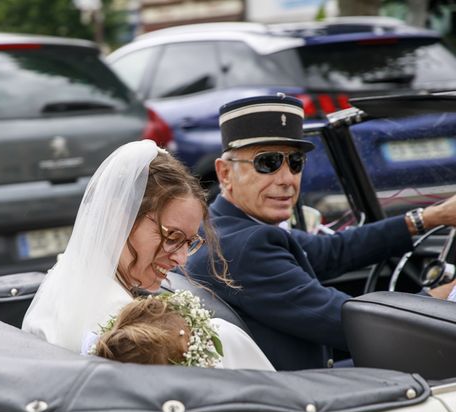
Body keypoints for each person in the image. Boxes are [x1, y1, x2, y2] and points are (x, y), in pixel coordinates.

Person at [186, 94, 456, 371]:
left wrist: (431, 217)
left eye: (295, 163)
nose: (287, 179)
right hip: (302, 394)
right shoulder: (245, 246)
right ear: (225, 173)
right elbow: (352, 324)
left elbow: (331, 251)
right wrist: (440, 298)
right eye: (267, 163)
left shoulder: (224, 226)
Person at [22, 139, 274, 371]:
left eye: (189, 242)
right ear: (119, 218)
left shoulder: (66, 277)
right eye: (172, 237)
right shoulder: (121, 324)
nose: (182, 259)